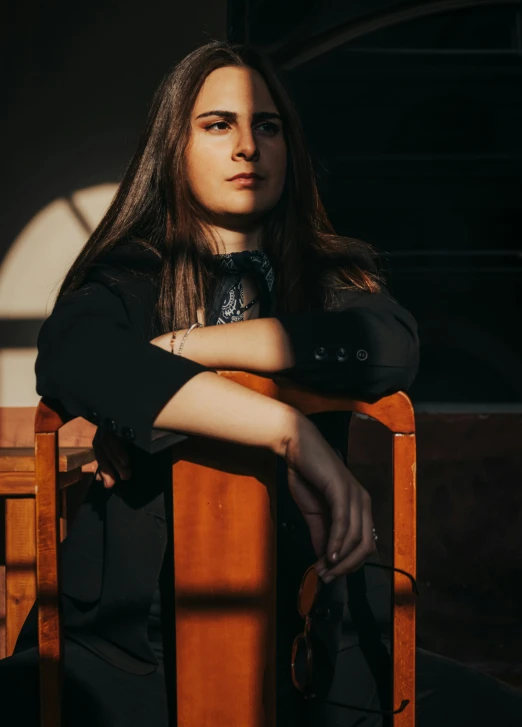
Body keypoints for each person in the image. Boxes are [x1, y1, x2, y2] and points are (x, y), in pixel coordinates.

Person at [0, 40, 520, 727]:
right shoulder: (129, 273)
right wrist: (288, 430)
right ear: (174, 146)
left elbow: (387, 348)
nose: (248, 145)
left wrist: (180, 352)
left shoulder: (331, 275)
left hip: (311, 634)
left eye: (266, 126)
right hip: (123, 641)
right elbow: (76, 355)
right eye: (219, 124)